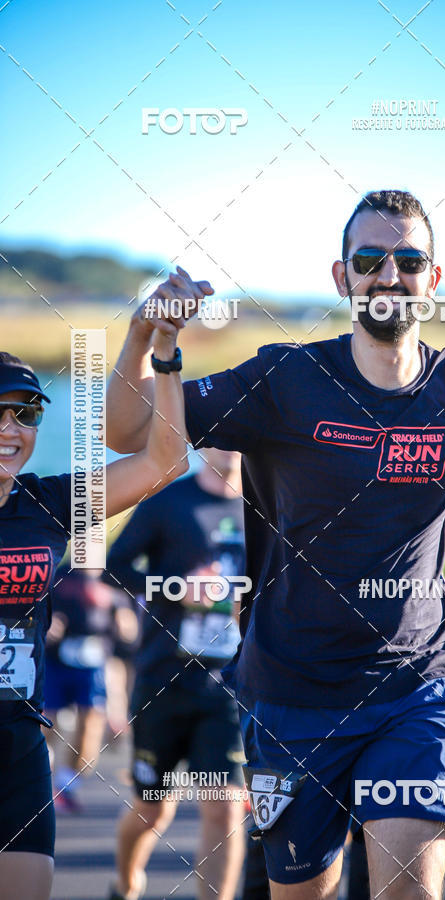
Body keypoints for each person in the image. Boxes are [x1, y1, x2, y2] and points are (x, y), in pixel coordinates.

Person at [105, 189, 445, 900]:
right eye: (369, 259)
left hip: (416, 692)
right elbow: (127, 433)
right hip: (291, 697)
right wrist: (141, 338)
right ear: (342, 278)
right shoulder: (283, 382)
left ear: (434, 278)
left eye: (408, 259)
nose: (388, 275)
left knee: (409, 888)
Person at [0, 320, 188, 900]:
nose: (12, 429)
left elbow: (165, 462)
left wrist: (153, 348)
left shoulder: (49, 501)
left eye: (27, 414)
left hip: (18, 743)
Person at [104, 448, 248, 900]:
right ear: (202, 444)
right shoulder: (167, 502)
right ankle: (127, 882)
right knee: (152, 811)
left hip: (228, 685)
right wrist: (175, 589)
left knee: (224, 808)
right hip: (162, 679)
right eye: (219, 434)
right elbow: (114, 566)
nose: (230, 444)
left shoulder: (269, 505)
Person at [43, 567, 129, 813]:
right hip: (56, 660)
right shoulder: (59, 573)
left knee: (91, 723)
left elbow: (128, 628)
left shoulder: (112, 574)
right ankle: (36, 780)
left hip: (94, 660)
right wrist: (48, 624)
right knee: (46, 723)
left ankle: (66, 785)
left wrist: (126, 622)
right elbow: (38, 609)